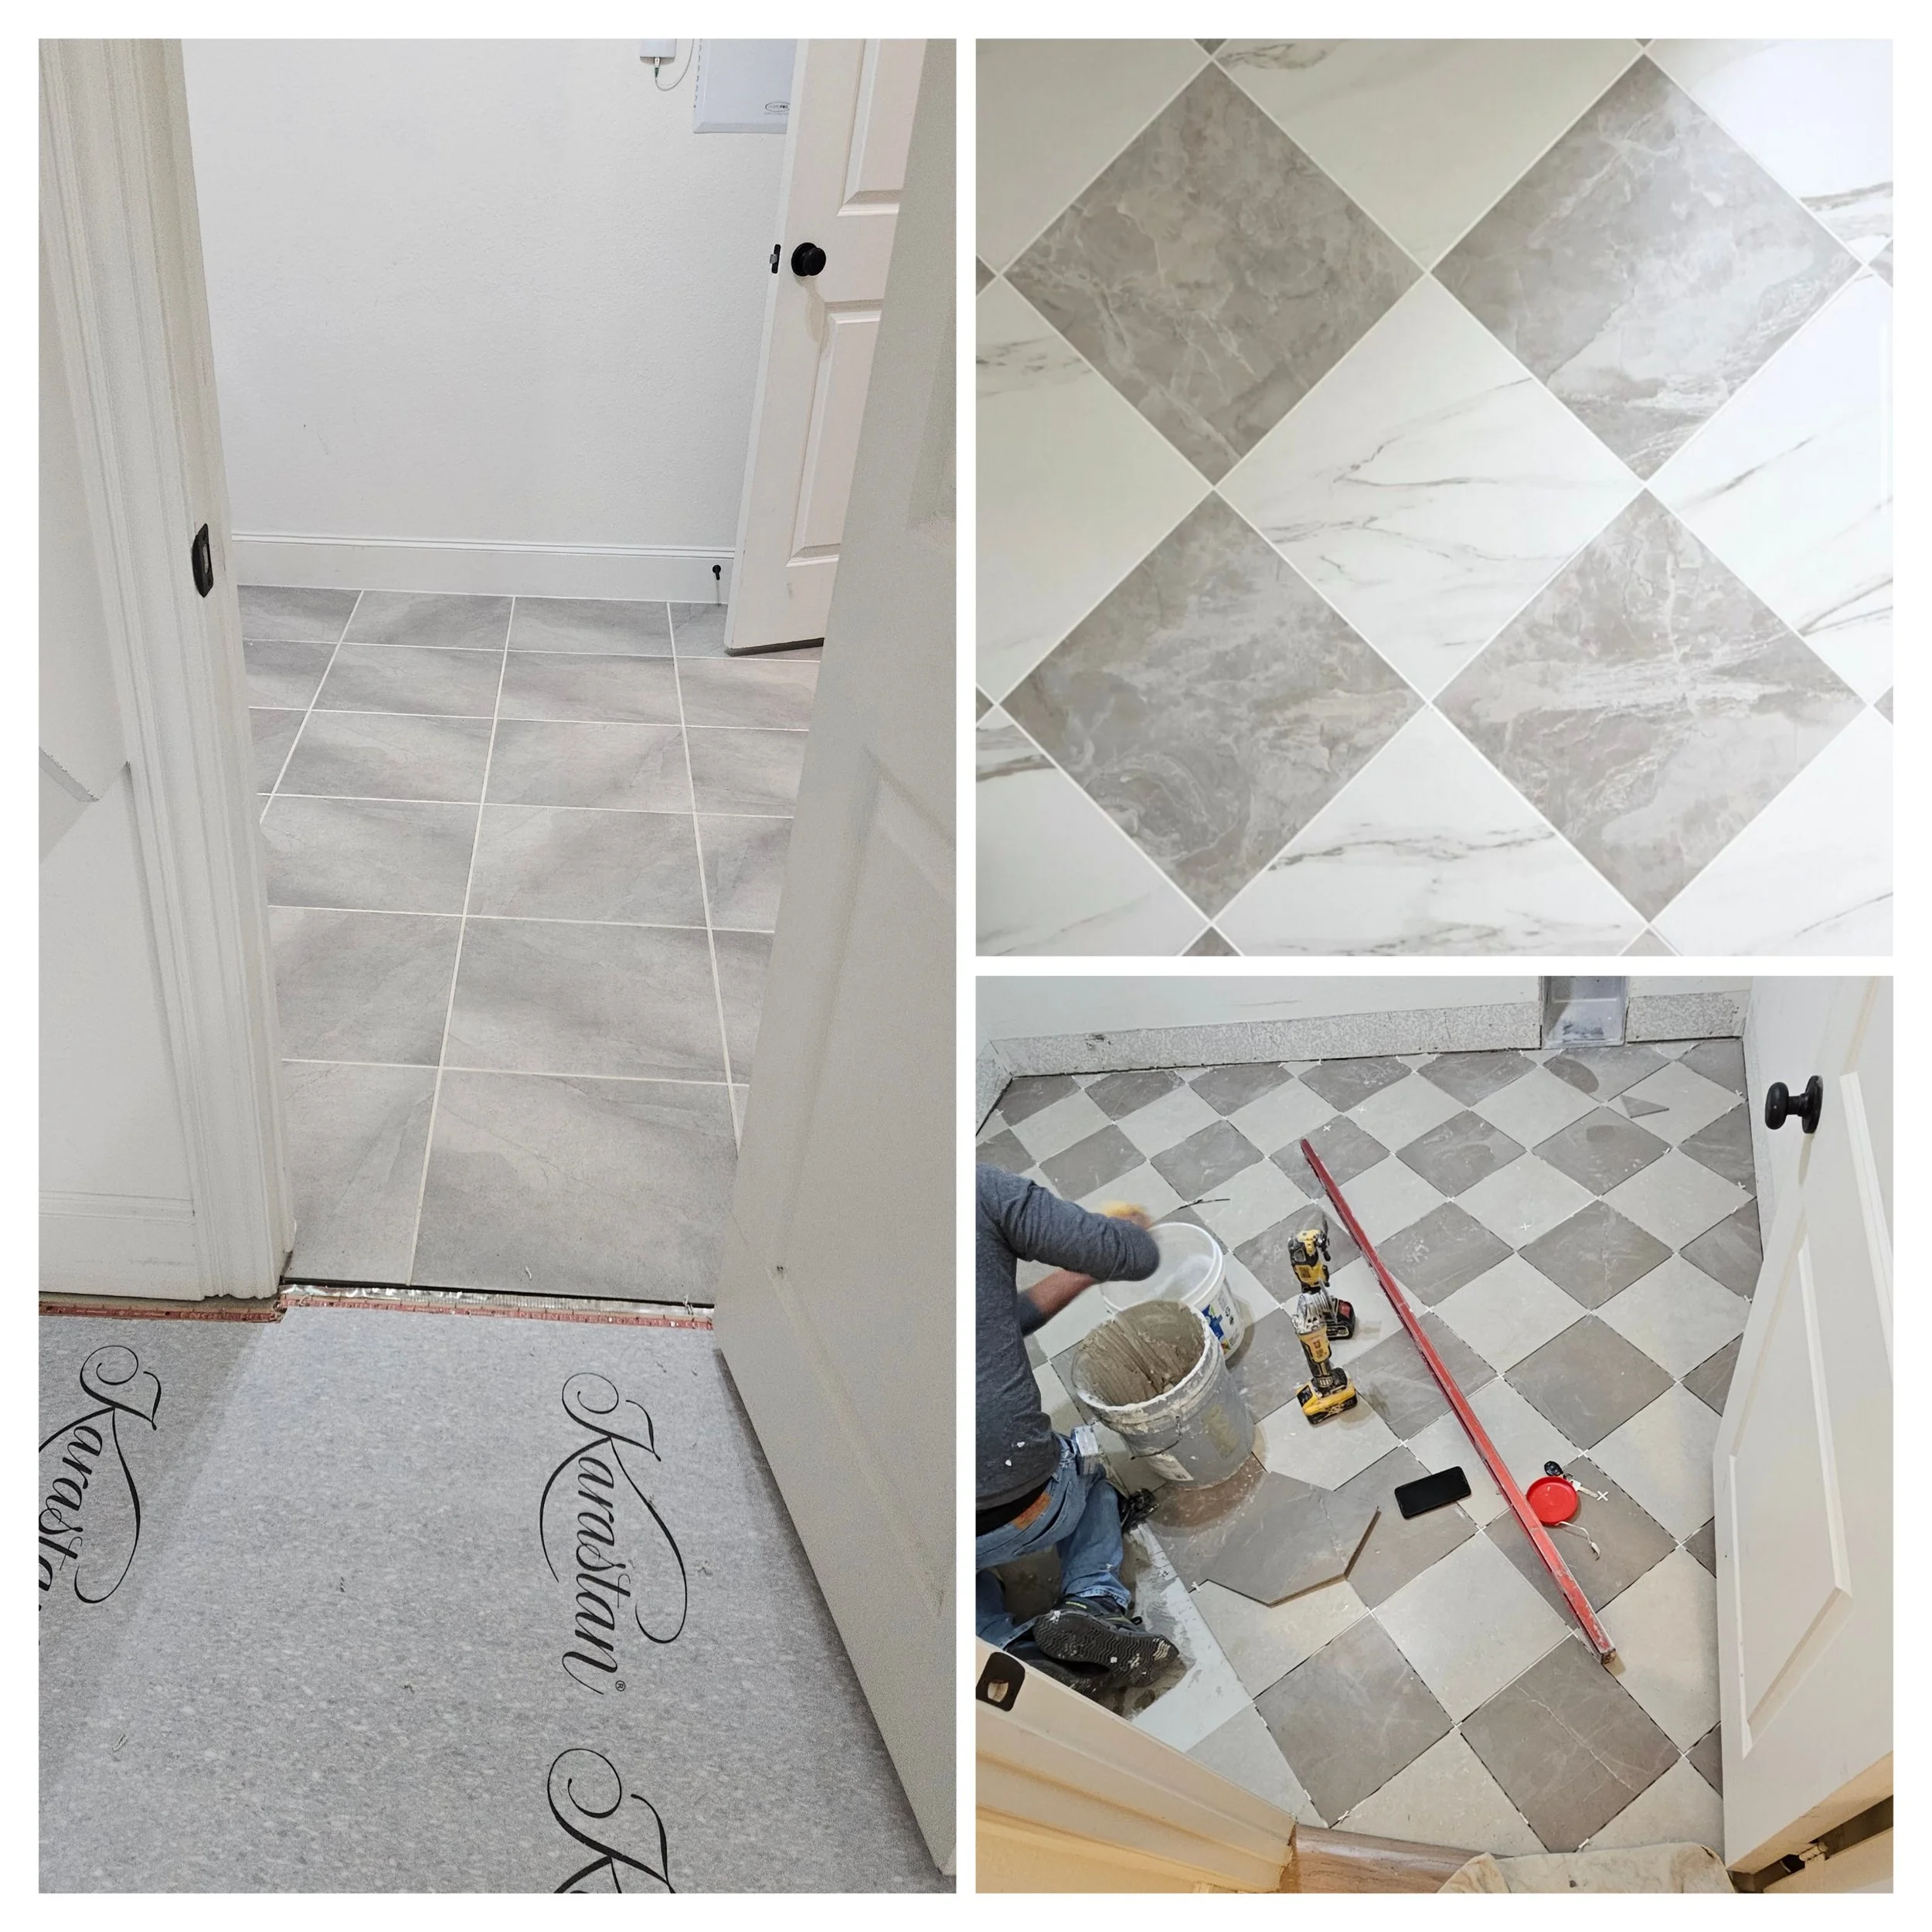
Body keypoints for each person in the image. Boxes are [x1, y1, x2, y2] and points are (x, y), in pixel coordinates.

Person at [976, 1163, 1178, 1692]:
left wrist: (1082, 1276)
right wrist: (1122, 1235)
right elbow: (1138, 1255)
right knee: (1088, 1473)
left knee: (934, 1576)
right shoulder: (976, 1190)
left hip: (923, 1530)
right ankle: (1095, 1601)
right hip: (1029, 1506)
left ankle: (1004, 1647)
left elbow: (1001, 1317)